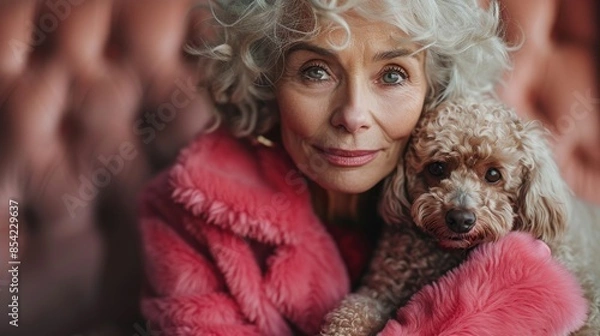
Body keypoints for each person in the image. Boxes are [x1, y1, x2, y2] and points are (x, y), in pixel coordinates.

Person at [137, 1, 586, 335]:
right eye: (315, 71)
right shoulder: (189, 211)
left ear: (436, 88)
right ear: (267, 82)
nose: (353, 114)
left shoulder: (499, 219)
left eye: (392, 74)